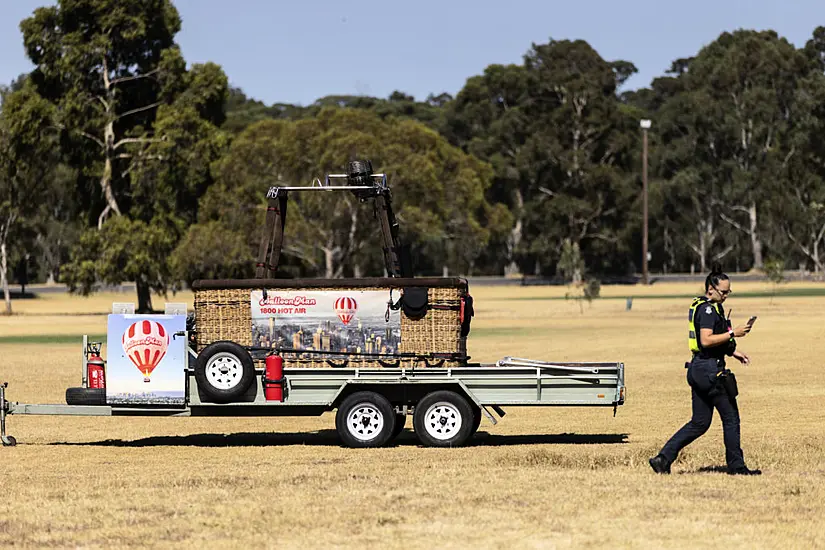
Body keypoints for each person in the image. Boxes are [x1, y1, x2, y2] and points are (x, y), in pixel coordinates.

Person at [649, 269, 762, 476]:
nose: (726, 296)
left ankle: (663, 458)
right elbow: (706, 340)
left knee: (700, 422)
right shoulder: (708, 311)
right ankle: (737, 467)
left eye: (729, 292)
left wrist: (734, 351)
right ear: (711, 290)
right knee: (731, 418)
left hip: (698, 368)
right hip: (709, 371)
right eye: (723, 292)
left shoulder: (708, 307)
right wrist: (732, 333)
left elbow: (709, 344)